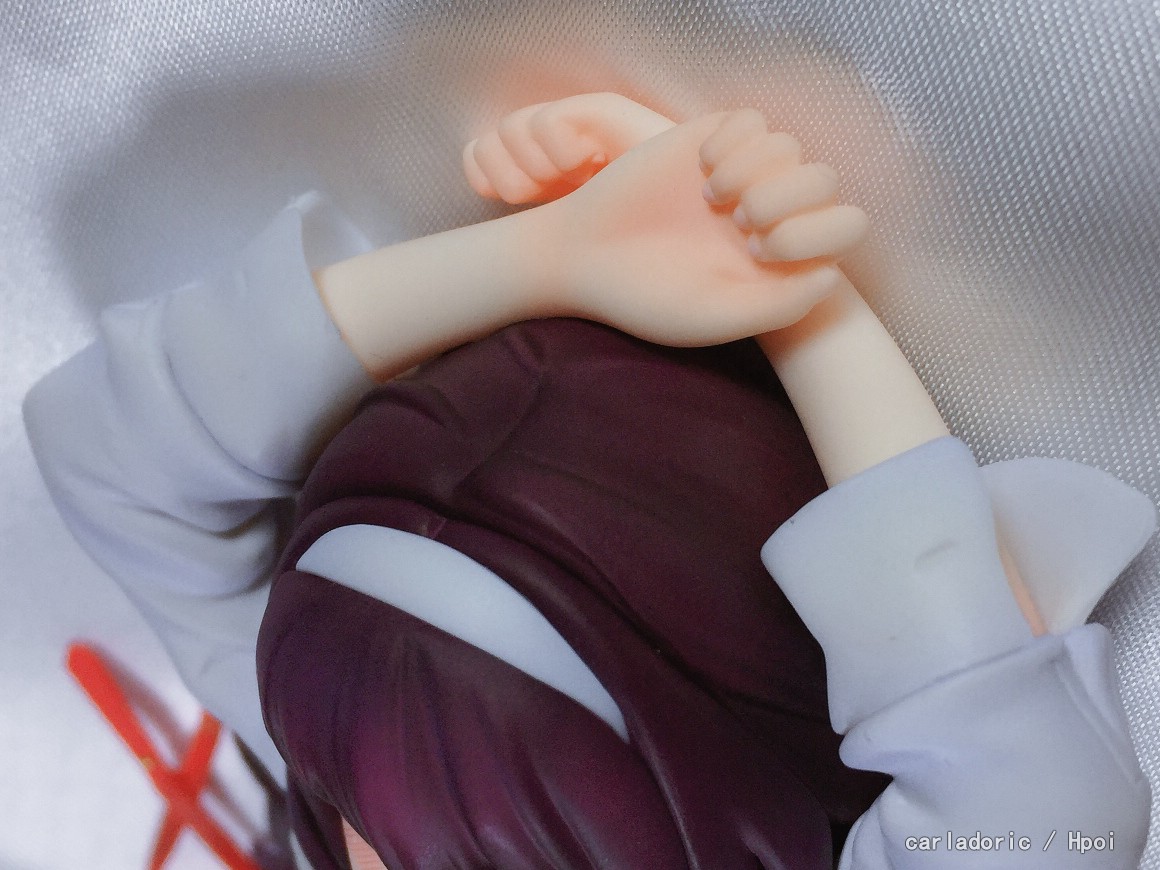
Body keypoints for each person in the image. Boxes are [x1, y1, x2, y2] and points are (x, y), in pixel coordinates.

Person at [25, 94, 1154, 868]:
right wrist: (546, 257)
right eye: (368, 829)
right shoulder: (363, 758)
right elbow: (100, 452)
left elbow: (1038, 825)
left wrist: (806, 311)